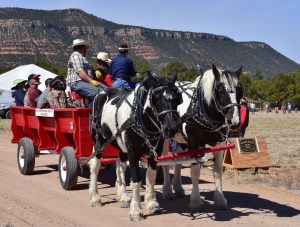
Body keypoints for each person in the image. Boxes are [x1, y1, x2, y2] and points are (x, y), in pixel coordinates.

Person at [66, 39, 107, 107]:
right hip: (77, 82)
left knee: (107, 90)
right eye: (85, 48)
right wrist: (91, 81)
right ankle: (92, 112)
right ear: (82, 47)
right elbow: (80, 71)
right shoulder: (76, 55)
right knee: (98, 92)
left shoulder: (81, 57)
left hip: (84, 81)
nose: (86, 50)